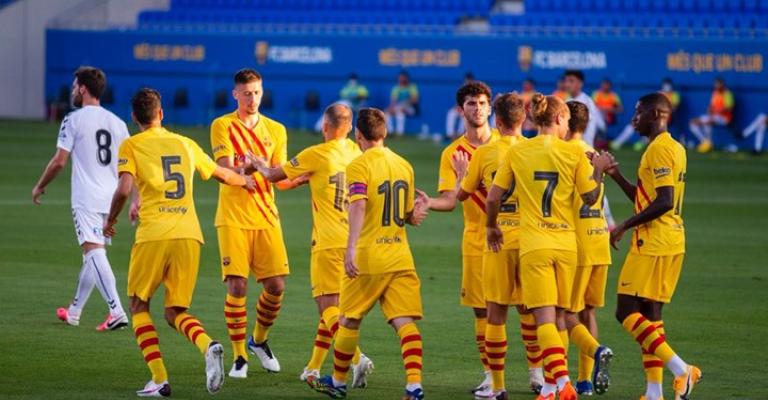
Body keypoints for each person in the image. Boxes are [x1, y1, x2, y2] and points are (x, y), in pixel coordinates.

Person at [104, 88, 256, 396]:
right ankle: (208, 346)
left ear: (134, 117)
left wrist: (110, 220)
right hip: (189, 235)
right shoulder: (185, 143)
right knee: (175, 312)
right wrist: (246, 180)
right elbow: (222, 174)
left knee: (138, 305)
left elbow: (123, 189)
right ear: (161, 114)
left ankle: (159, 379)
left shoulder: (131, 145)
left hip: (154, 235)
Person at [486, 93, 614, 400]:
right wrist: (598, 170)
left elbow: (493, 197)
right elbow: (590, 199)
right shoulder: (573, 153)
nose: (568, 125)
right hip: (567, 246)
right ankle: (554, 385)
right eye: (566, 119)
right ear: (558, 118)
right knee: (560, 318)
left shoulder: (518, 151)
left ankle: (562, 382)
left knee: (544, 320)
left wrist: (492, 226)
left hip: (535, 245)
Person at [249, 103, 375, 387]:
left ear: (325, 127)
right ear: (351, 128)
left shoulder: (316, 154)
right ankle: (313, 368)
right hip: (356, 242)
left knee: (326, 308)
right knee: (333, 311)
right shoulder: (357, 152)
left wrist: (257, 163)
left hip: (328, 243)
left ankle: (357, 358)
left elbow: (273, 176)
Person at [309, 108, 430, 400]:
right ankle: (414, 385)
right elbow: (408, 213)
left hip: (369, 256)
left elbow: (359, 204)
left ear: (358, 135)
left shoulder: (358, 165)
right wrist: (414, 215)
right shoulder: (404, 165)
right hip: (400, 256)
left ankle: (338, 382)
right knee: (404, 322)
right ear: (384, 132)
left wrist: (351, 247)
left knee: (348, 320)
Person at [604, 93, 701, 400]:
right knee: (650, 314)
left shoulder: (658, 150)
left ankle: (682, 369)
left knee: (625, 311)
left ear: (656, 114)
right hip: (672, 239)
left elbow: (664, 201)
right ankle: (654, 392)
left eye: (639, 112)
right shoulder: (674, 147)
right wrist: (616, 175)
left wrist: (624, 225)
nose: (634, 118)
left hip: (653, 241)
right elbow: (647, 198)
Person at [210, 68, 303, 378]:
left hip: (266, 216)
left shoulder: (276, 130)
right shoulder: (222, 125)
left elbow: (278, 177)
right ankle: (239, 356)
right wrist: (250, 167)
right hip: (233, 217)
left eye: (257, 93)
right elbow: (225, 170)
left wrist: (301, 179)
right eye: (247, 93)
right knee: (237, 285)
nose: (252, 99)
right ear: (235, 94)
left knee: (276, 286)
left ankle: (259, 341)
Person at [32, 66, 130, 331]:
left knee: (94, 252)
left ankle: (116, 310)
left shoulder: (73, 119)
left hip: (87, 197)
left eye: (75, 86)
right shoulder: (118, 123)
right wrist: (134, 199)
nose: (73, 90)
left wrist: (40, 186)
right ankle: (74, 311)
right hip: (111, 198)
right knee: (93, 254)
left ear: (84, 89)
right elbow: (129, 167)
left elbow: (59, 161)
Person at [457, 92, 541, 399]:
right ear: (524, 119)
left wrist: (462, 175)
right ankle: (539, 376)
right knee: (531, 310)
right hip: (532, 239)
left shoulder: (485, 153)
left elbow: (463, 194)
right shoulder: (536, 150)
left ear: (498, 120)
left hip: (498, 239)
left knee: (495, 312)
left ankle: (497, 385)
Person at [420, 81, 501, 394]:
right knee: (481, 310)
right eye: (471, 103)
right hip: (475, 240)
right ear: (460, 110)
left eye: (482, 103)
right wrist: (429, 202)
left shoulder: (508, 144)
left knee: (526, 308)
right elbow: (450, 200)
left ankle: (538, 374)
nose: (477, 108)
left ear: (490, 108)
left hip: (512, 237)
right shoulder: (452, 153)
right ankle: (490, 375)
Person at [564, 101, 614, 396]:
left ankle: (594, 353)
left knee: (564, 314)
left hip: (577, 244)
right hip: (599, 240)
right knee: (588, 313)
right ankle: (584, 382)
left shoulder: (565, 152)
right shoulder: (594, 154)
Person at [564, 70, 616, 230]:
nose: (568, 84)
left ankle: (609, 223)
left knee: (592, 186)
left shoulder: (587, 102)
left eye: (572, 81)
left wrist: (587, 146)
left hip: (584, 153)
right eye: (567, 81)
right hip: (570, 151)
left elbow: (596, 125)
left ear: (580, 83)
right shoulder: (566, 101)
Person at [611, 78, 680, 151]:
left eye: (668, 84)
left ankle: (641, 142)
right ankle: (617, 142)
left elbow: (673, 108)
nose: (667, 86)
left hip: (666, 119)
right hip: (653, 115)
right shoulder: (659, 94)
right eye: (665, 84)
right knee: (634, 123)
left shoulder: (675, 95)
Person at [689, 77, 734, 153]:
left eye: (719, 84)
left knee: (708, 122)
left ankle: (708, 144)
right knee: (693, 122)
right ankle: (705, 142)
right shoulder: (715, 93)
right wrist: (710, 110)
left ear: (723, 84)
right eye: (716, 84)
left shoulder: (728, 94)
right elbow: (712, 106)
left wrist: (717, 111)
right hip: (714, 116)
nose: (717, 86)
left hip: (724, 118)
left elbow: (729, 108)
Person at [386, 70, 419, 136]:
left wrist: (405, 104)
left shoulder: (412, 87)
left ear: (407, 78)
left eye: (403, 78)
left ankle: (399, 133)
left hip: (411, 108)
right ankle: (390, 132)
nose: (401, 79)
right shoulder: (396, 88)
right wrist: (391, 108)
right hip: (399, 107)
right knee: (387, 113)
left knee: (400, 112)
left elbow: (415, 100)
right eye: (400, 78)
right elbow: (393, 101)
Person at [445, 72, 475, 139]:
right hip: (461, 109)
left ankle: (459, 135)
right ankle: (450, 135)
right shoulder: (462, 89)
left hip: (470, 111)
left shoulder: (475, 90)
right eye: (466, 81)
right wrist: (457, 107)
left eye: (469, 81)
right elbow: (458, 102)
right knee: (451, 113)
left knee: (464, 116)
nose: (467, 82)